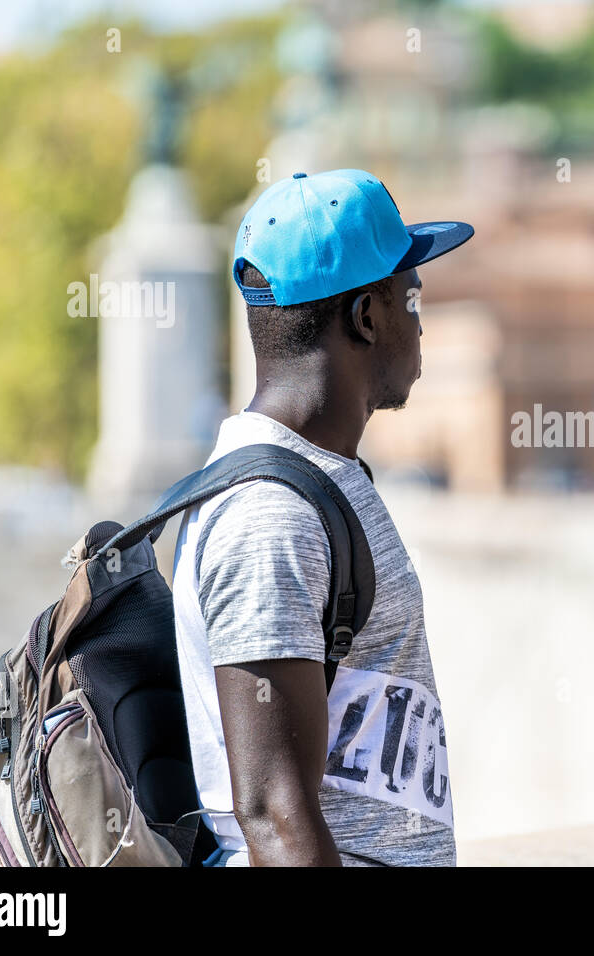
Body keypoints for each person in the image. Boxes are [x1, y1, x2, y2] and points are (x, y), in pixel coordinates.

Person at [171, 169, 473, 866]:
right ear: (367, 317)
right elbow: (274, 814)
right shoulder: (270, 516)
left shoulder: (319, 480)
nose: (420, 321)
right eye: (411, 297)